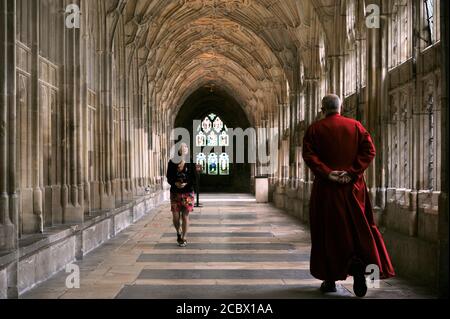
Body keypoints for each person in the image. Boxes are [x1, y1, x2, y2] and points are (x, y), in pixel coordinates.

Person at [302, 94, 395, 297]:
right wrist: (352, 172)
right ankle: (361, 269)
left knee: (329, 232)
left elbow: (309, 155)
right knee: (359, 230)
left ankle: (330, 279)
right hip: (353, 188)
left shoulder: (314, 129)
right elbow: (369, 151)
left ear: (322, 109)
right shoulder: (356, 126)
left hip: (327, 189)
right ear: (341, 107)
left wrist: (328, 172)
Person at [166, 143, 196, 247]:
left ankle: (184, 237)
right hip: (175, 193)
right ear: (179, 150)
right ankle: (178, 231)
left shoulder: (191, 162)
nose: (186, 148)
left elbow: (194, 177)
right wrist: (175, 183)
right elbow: (169, 176)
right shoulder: (172, 162)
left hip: (188, 192)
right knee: (175, 217)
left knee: (185, 216)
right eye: (183, 147)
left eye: (187, 147)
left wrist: (186, 183)